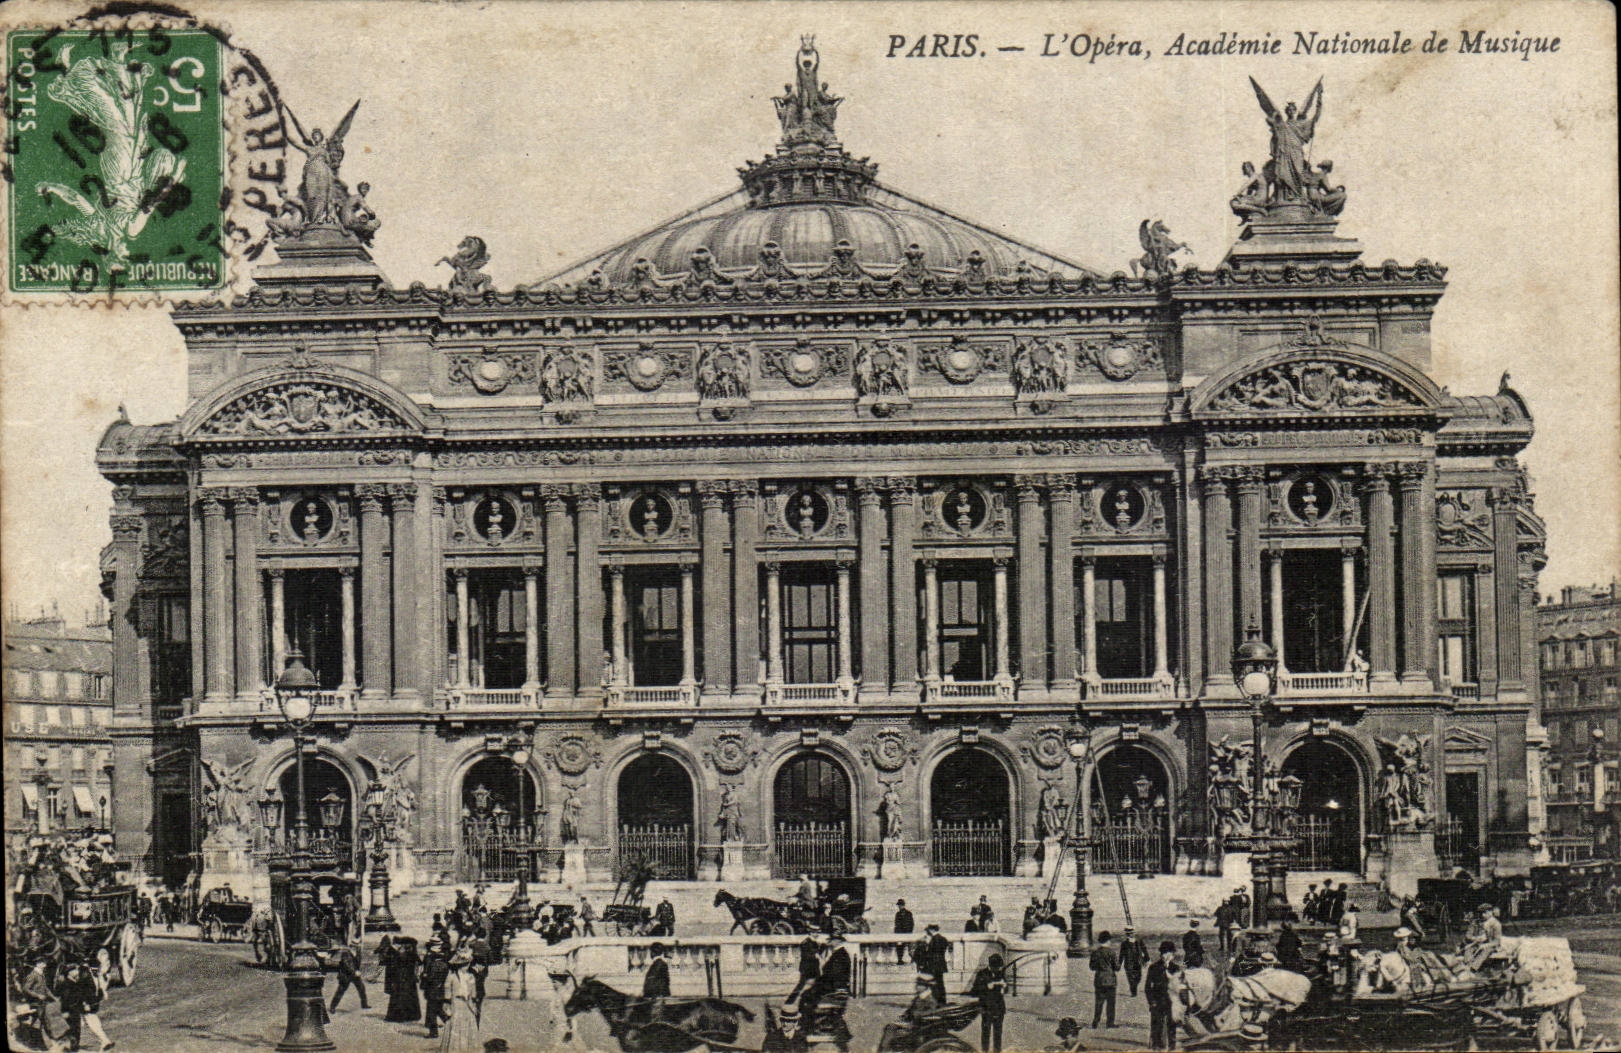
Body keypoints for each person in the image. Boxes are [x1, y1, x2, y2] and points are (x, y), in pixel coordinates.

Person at [59, 960, 113, 1053]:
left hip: (85, 1006)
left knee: (85, 1025)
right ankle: (105, 1041)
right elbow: (79, 994)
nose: (77, 972)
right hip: (82, 1007)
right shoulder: (81, 978)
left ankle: (65, 1044)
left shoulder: (80, 978)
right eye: (74, 970)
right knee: (90, 1024)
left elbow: (93, 989)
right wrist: (85, 1003)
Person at [440, 947, 481, 1053]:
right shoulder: (452, 977)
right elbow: (447, 992)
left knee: (468, 1024)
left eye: (467, 964)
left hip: (467, 1004)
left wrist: (472, 1003)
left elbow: (473, 993)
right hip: (456, 1003)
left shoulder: (471, 976)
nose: (466, 967)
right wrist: (447, 1004)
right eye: (463, 965)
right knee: (455, 1025)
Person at [968, 952, 1008, 1053]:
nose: (998, 970)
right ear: (990, 965)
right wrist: (986, 987)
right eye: (996, 967)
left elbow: (1006, 988)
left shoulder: (1000, 972)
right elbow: (974, 991)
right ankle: (985, 1051)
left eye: (999, 967)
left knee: (998, 1033)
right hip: (987, 1008)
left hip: (999, 1008)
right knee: (986, 1033)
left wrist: (1004, 987)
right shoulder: (982, 974)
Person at [1145, 940, 1179, 1051]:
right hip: (1158, 1001)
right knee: (1157, 1026)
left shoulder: (1175, 968)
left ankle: (1171, 1047)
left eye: (1169, 953)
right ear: (1161, 954)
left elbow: (1179, 987)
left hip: (1171, 1002)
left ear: (1173, 955)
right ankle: (1156, 1046)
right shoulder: (1154, 967)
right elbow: (1147, 987)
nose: (1167, 956)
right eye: (1164, 953)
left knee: (1172, 1026)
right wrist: (1152, 1001)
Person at [385, 935, 423, 1023]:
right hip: (409, 979)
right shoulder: (411, 953)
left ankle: (398, 1016)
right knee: (409, 997)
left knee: (399, 997)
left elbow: (394, 965)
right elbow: (419, 963)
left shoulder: (401, 953)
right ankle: (411, 1015)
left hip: (401, 979)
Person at [329, 939, 370, 1012]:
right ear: (351, 946)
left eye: (357, 945)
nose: (357, 947)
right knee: (340, 991)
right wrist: (354, 972)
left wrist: (356, 971)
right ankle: (332, 1007)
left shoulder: (357, 953)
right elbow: (347, 965)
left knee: (361, 988)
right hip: (346, 975)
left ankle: (364, 1004)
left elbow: (357, 963)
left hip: (355, 975)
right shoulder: (345, 954)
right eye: (355, 945)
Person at [1089, 930, 1119, 1028]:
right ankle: (1110, 1023)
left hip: (1099, 979)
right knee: (1111, 1003)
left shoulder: (1095, 952)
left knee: (1099, 1002)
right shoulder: (1112, 952)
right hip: (1110, 980)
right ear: (1108, 940)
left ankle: (1095, 1022)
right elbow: (1117, 967)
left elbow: (1092, 967)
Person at [422, 942, 451, 1039]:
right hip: (440, 991)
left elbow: (430, 978)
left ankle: (434, 1032)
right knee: (438, 1009)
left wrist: (424, 976)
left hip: (432, 991)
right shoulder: (444, 965)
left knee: (431, 1012)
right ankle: (447, 1020)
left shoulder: (433, 965)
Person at [919, 924, 950, 1004]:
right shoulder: (943, 939)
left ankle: (938, 1001)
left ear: (931, 930)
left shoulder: (933, 940)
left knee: (935, 984)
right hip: (940, 964)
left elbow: (931, 953)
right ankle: (942, 1001)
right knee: (940, 983)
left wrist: (927, 945)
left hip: (933, 965)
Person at [467, 926, 492, 1013]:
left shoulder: (472, 945)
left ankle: (474, 997)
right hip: (483, 967)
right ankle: (480, 996)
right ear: (485, 936)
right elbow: (490, 959)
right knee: (481, 981)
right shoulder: (487, 947)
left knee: (473, 980)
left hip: (474, 966)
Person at [791, 934, 822, 1001]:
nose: (817, 934)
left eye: (818, 932)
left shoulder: (815, 942)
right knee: (801, 985)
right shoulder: (805, 942)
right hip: (806, 968)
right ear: (811, 933)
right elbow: (804, 955)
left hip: (814, 968)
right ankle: (790, 1001)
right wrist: (814, 956)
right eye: (815, 932)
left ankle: (813, 1001)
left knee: (817, 984)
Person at [1120, 927, 1147, 997]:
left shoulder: (1139, 941)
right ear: (1127, 934)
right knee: (1130, 978)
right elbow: (1121, 954)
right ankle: (1133, 992)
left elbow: (1144, 949)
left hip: (1137, 962)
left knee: (1139, 977)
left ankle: (1134, 987)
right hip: (1128, 963)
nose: (1131, 934)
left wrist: (1146, 959)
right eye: (1129, 933)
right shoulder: (1124, 943)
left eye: (1132, 933)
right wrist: (1119, 964)